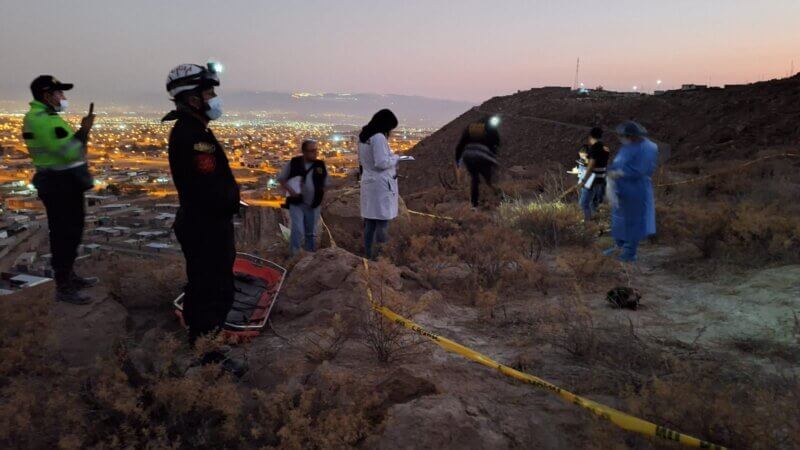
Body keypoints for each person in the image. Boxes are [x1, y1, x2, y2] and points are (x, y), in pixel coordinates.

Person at [162, 62, 245, 376]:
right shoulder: (195, 137)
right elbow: (208, 189)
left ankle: (204, 346)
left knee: (205, 285)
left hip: (203, 223)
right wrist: (230, 203)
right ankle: (208, 358)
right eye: (209, 91)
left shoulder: (194, 131)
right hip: (206, 225)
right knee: (214, 290)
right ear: (193, 99)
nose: (214, 97)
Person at [23, 75, 98, 305]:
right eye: (60, 93)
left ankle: (69, 276)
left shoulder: (46, 117)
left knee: (71, 232)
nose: (63, 97)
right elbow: (70, 151)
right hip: (59, 185)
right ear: (47, 96)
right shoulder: (42, 120)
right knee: (64, 234)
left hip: (64, 183)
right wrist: (84, 131)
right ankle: (63, 286)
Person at [604, 121, 658, 263]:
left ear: (633, 135)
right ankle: (618, 246)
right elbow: (619, 162)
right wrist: (610, 170)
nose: (624, 139)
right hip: (622, 189)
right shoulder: (628, 146)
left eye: (626, 136)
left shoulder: (648, 148)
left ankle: (629, 253)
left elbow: (642, 169)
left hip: (636, 189)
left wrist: (622, 173)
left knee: (633, 220)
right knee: (619, 219)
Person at [358, 109, 400, 259]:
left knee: (370, 222)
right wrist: (395, 159)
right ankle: (381, 257)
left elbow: (364, 161)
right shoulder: (378, 137)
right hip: (380, 185)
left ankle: (368, 255)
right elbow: (381, 162)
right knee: (382, 221)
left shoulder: (364, 137)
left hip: (369, 182)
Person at [278, 139, 328, 255]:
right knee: (298, 230)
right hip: (297, 202)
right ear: (304, 151)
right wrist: (292, 191)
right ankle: (294, 255)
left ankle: (309, 257)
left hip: (313, 203)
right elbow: (282, 179)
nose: (314, 153)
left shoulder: (320, 165)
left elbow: (324, 183)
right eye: (311, 151)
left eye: (316, 150)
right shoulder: (294, 163)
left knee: (311, 232)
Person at [455, 116, 501, 208]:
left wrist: (458, 160)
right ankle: (498, 197)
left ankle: (474, 204)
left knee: (475, 179)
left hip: (468, 156)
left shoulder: (470, 128)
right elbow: (497, 143)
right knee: (489, 179)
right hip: (484, 156)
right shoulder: (490, 128)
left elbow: (460, 145)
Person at [577, 127, 610, 221]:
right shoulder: (605, 149)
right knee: (594, 204)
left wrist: (583, 181)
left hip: (592, 180)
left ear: (591, 136)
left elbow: (591, 166)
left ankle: (588, 226)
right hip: (601, 179)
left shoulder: (594, 148)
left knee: (583, 204)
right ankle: (596, 225)